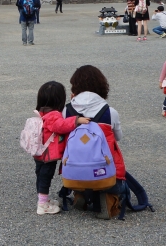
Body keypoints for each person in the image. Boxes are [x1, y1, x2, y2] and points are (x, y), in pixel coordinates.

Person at [63, 65, 127, 219]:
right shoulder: (109, 112)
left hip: (74, 173)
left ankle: (80, 192)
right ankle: (108, 196)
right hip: (104, 173)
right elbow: (118, 137)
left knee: (81, 171)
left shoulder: (66, 111)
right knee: (123, 187)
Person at [32, 81, 90, 215]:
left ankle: (43, 199)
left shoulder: (42, 112)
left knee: (41, 175)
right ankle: (42, 205)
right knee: (45, 177)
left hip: (39, 152)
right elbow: (61, 126)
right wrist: (76, 120)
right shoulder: (53, 115)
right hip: (48, 154)